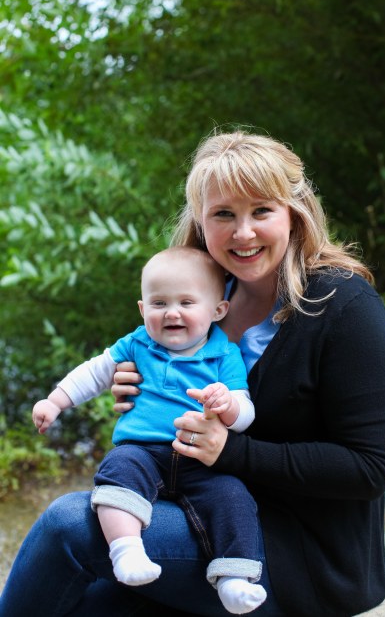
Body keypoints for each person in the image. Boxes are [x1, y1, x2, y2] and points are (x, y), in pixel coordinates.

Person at [0, 129, 385, 617]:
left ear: (294, 213)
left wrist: (231, 450)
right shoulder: (200, 298)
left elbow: (369, 468)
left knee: (68, 526)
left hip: (296, 554)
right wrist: (138, 387)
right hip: (191, 509)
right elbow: (158, 397)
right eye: (223, 214)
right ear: (200, 220)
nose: (243, 232)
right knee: (77, 604)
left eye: (261, 211)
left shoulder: (345, 308)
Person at [31, 246, 267, 615]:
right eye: (159, 303)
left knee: (233, 497)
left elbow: (245, 413)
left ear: (218, 310)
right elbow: (94, 372)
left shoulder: (225, 355)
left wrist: (229, 406)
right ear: (143, 309)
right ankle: (126, 551)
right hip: (142, 451)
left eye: (186, 302)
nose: (172, 312)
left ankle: (234, 578)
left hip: (201, 460)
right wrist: (55, 402)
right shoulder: (138, 343)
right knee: (117, 471)